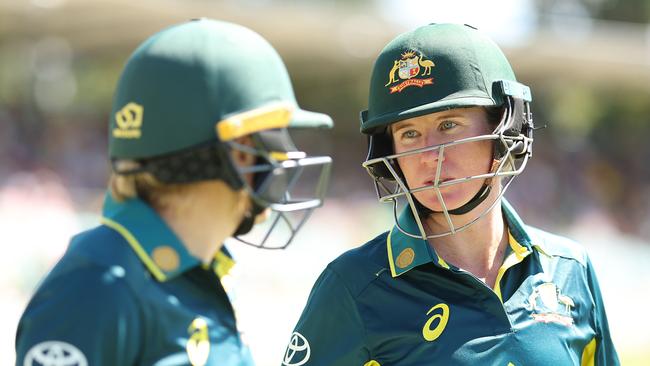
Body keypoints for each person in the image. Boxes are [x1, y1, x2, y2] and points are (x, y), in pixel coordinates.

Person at [283, 23, 619, 366]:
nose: (430, 155)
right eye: (409, 133)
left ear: (505, 128)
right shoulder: (353, 287)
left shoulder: (570, 269)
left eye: (448, 125)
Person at [16, 18, 332, 366]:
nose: (285, 157)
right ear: (236, 153)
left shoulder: (205, 272)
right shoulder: (94, 286)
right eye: (270, 139)